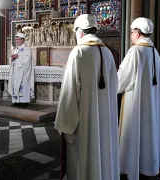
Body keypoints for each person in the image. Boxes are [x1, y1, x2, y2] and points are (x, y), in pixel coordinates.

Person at [54, 14, 119, 180]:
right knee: (103, 151)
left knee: (84, 157)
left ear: (80, 32)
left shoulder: (79, 52)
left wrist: (65, 124)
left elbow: (69, 92)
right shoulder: (108, 52)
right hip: (106, 119)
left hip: (85, 121)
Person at [118, 17, 160, 180]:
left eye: (132, 32)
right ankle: (148, 165)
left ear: (138, 33)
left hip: (136, 101)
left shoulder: (136, 51)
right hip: (151, 103)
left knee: (134, 132)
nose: (131, 35)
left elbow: (122, 79)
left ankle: (131, 166)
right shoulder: (154, 51)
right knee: (148, 132)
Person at [8, 32, 34, 107]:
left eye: (18, 39)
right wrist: (12, 58)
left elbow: (27, 60)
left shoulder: (27, 49)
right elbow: (12, 59)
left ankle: (24, 102)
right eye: (16, 39)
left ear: (23, 40)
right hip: (15, 71)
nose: (16, 41)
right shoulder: (15, 49)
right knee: (15, 85)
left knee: (23, 86)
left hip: (23, 72)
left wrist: (18, 56)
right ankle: (16, 101)